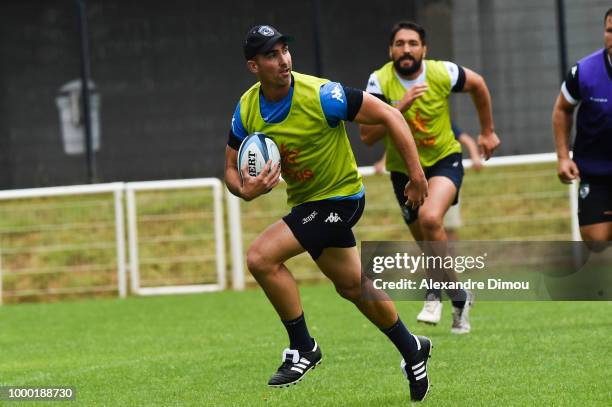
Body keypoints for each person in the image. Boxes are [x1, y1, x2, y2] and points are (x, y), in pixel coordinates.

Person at [224, 25, 432, 401]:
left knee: (260, 257)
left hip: (341, 200)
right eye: (271, 55)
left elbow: (390, 116)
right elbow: (229, 167)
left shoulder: (324, 95)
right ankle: (412, 348)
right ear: (253, 66)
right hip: (308, 204)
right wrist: (243, 188)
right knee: (352, 286)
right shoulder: (247, 108)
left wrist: (416, 176)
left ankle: (303, 346)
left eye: (285, 50)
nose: (283, 60)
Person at [360, 21, 500, 333]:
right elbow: (367, 136)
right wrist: (397, 109)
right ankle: (460, 297)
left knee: (431, 220)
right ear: (390, 50)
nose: (406, 49)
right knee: (430, 247)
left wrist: (487, 131)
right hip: (405, 171)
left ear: (424, 49)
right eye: (399, 43)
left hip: (443, 161)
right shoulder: (379, 81)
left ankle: (433, 294)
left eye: (412, 43)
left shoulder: (442, 73)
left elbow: (477, 84)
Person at [552, 8, 612, 252]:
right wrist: (563, 157)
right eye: (610, 30)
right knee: (596, 240)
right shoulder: (583, 72)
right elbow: (562, 110)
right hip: (595, 170)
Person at [373, 124, 483, 241]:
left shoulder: (441, 121)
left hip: (444, 172)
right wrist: (383, 161)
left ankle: (451, 258)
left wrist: (475, 156)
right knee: (426, 237)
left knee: (441, 224)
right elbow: (397, 143)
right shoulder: (401, 120)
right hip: (409, 178)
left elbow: (466, 139)